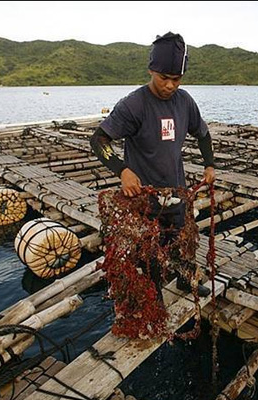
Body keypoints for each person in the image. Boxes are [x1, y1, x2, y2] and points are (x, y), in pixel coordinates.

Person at [90, 32, 215, 301]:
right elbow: (98, 140)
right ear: (151, 70)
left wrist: (209, 165)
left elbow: (203, 134)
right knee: (149, 253)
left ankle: (184, 281)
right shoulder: (134, 105)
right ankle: (153, 296)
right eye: (164, 78)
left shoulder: (185, 102)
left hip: (177, 192)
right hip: (144, 198)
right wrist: (122, 170)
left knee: (183, 242)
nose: (170, 85)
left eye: (176, 79)